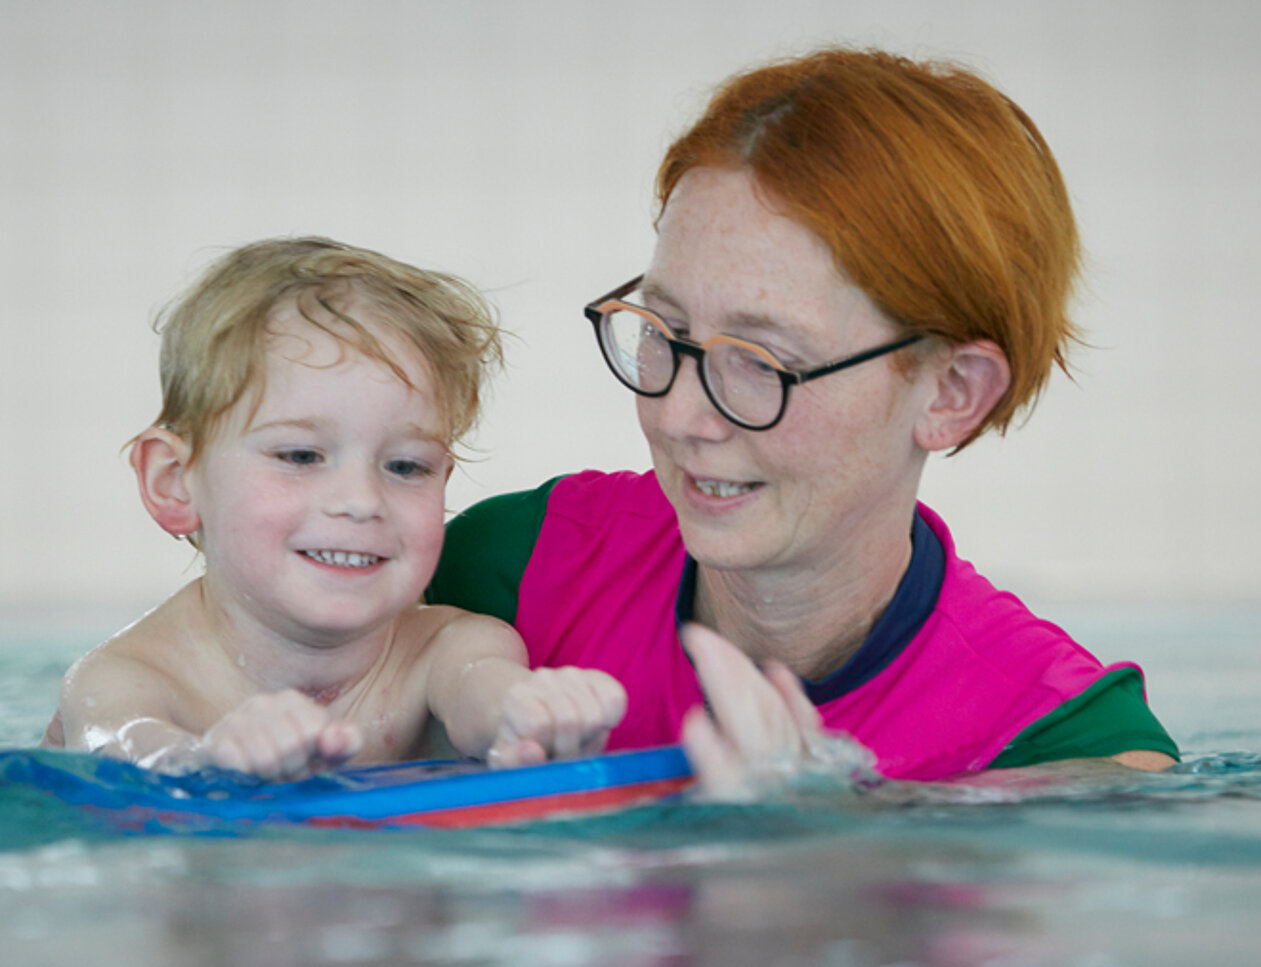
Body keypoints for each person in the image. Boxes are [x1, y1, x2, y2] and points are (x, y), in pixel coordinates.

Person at [425, 48, 1180, 789]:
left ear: (951, 391)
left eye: (760, 359)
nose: (680, 414)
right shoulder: (513, 574)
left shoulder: (1060, 745)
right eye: (664, 332)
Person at [44, 236, 625, 780]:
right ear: (175, 482)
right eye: (300, 455)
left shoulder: (452, 648)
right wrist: (209, 764)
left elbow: (486, 698)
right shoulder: (128, 678)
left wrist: (531, 714)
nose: (361, 501)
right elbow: (119, 753)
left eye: (405, 467)